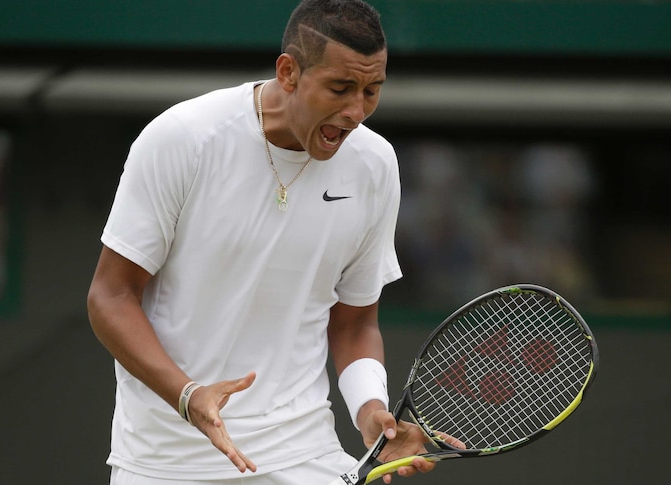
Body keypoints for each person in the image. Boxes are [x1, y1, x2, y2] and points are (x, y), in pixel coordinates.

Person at [87, 1, 458, 484]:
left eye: (372, 90)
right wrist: (189, 395)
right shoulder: (183, 139)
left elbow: (353, 324)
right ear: (288, 72)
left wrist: (371, 411)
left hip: (302, 455)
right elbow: (110, 296)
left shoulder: (375, 166)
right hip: (163, 463)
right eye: (340, 88)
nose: (356, 112)